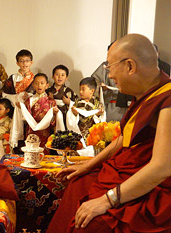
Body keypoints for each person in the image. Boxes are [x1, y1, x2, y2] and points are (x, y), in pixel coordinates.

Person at [47, 33, 171, 233]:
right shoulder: (147, 93)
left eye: (110, 67)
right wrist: (87, 166)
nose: (110, 75)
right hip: (124, 172)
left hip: (153, 191)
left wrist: (107, 200)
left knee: (90, 224)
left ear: (130, 66)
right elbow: (123, 139)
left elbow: (162, 167)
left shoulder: (167, 99)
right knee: (77, 183)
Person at [92, 42, 131, 122]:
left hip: (128, 104)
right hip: (111, 105)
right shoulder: (105, 66)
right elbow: (94, 82)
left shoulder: (129, 66)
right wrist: (101, 87)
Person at [23, 73, 58, 154]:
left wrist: (55, 114)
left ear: (47, 85)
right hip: (31, 131)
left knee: (44, 153)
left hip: (45, 131)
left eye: (42, 83)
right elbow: (25, 118)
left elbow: (53, 122)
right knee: (31, 153)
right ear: (33, 85)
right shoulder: (29, 100)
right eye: (36, 83)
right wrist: (21, 108)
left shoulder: (51, 101)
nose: (39, 85)